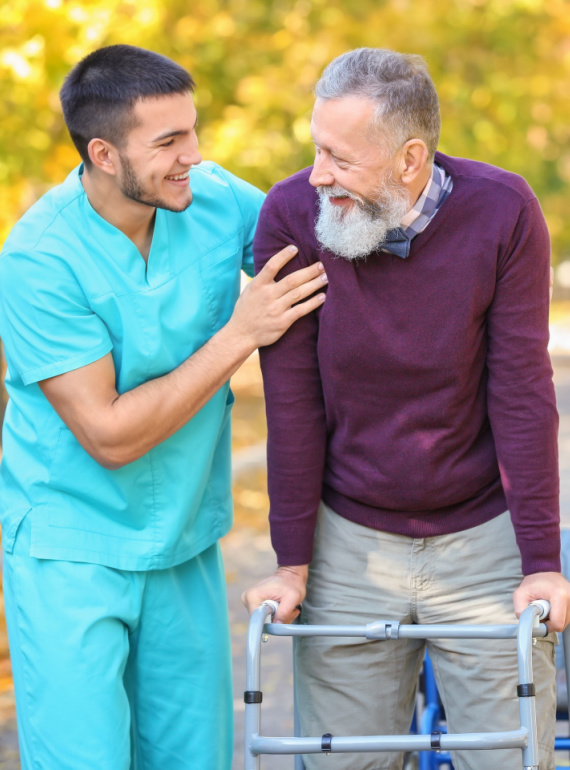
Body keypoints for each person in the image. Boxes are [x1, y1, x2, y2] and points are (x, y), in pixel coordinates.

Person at [0, 44, 328, 770]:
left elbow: (321, 261)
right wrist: (239, 333)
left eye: (194, 131)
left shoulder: (214, 200)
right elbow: (109, 435)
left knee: (194, 760)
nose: (194, 156)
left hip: (181, 542)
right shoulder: (38, 261)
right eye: (169, 142)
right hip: (70, 548)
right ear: (104, 154)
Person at [244, 48, 570, 770]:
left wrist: (542, 563)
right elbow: (292, 401)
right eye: (315, 147)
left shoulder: (504, 211)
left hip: (481, 538)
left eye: (338, 156)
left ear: (409, 159)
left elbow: (520, 388)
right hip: (349, 538)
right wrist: (293, 564)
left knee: (512, 758)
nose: (317, 173)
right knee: (345, 762)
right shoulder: (294, 214)